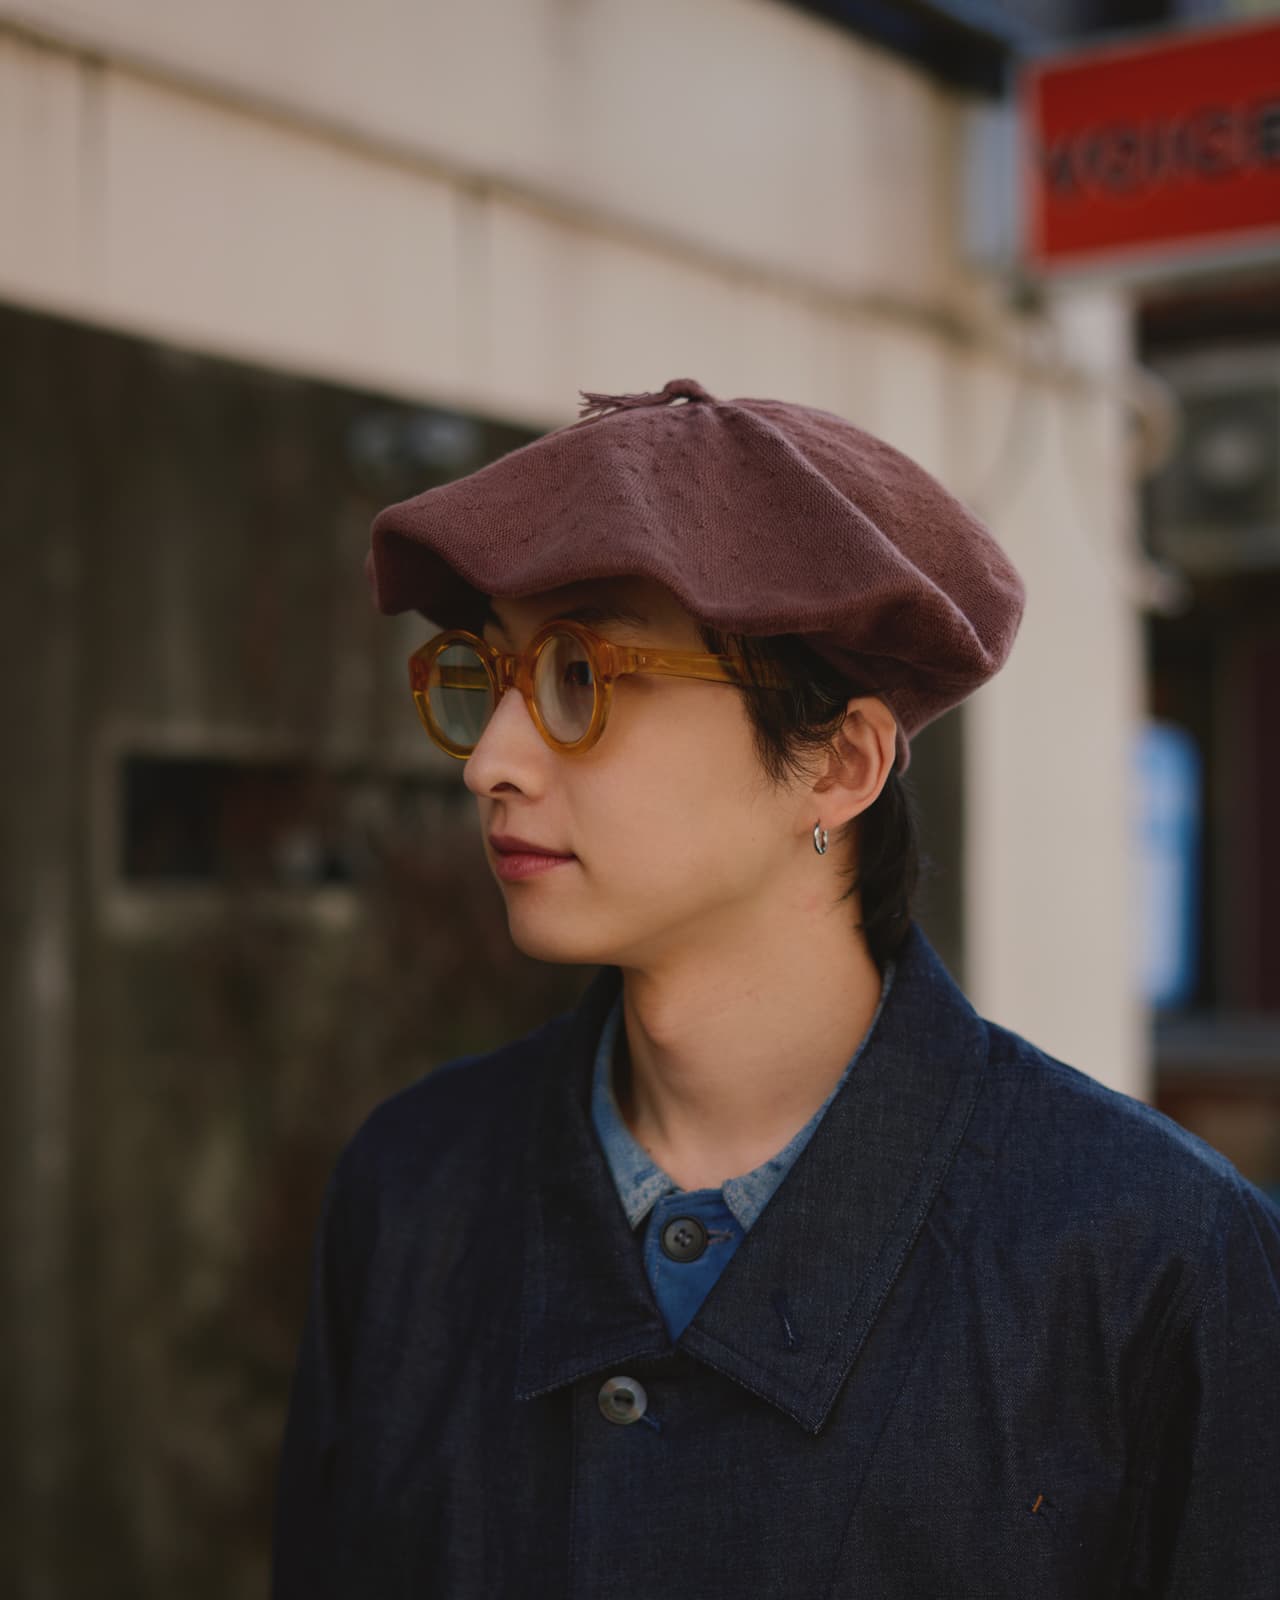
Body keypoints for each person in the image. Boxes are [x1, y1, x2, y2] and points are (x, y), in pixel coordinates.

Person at [272, 378, 1280, 1599]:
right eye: (490, 673)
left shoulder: (1146, 1259)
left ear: (839, 763)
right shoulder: (413, 1189)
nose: (491, 757)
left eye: (582, 676)